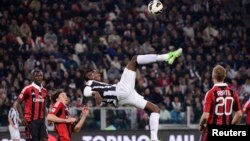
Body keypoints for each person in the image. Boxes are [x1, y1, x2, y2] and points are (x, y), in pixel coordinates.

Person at [83, 48, 183, 141]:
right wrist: (93, 92)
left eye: (94, 72)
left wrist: (96, 93)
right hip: (121, 91)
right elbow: (86, 92)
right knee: (134, 59)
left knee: (155, 109)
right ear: (88, 77)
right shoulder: (90, 84)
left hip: (125, 97)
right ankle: (166, 56)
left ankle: (154, 139)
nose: (94, 74)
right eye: (91, 74)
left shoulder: (96, 84)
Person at [198, 65, 242, 141]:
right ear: (224, 76)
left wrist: (201, 125)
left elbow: (205, 116)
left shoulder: (211, 93)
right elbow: (239, 114)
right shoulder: (233, 93)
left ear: (212, 76)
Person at [17, 69, 48, 141]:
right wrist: (22, 117)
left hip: (42, 121)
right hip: (31, 121)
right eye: (36, 76)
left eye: (40, 75)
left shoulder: (45, 91)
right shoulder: (27, 89)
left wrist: (47, 116)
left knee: (45, 139)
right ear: (33, 77)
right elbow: (18, 103)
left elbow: (44, 104)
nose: (39, 77)